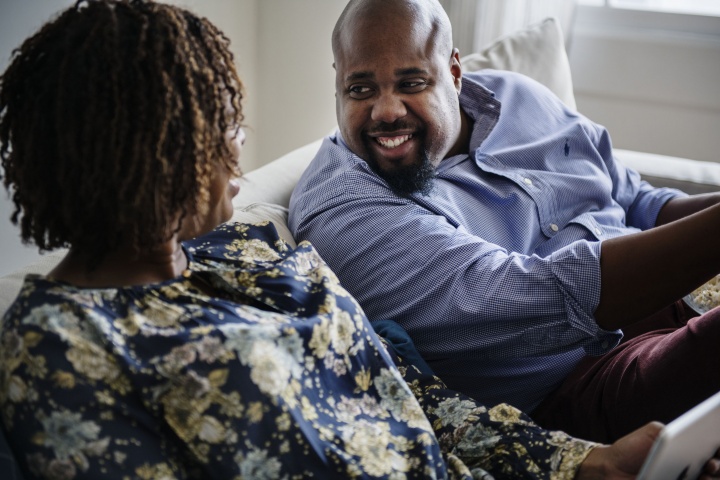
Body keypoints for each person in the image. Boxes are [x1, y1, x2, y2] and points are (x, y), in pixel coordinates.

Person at [6, 0, 717, 478]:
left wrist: (582, 466)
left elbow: (416, 400)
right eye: (218, 124)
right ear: (136, 152)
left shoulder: (248, 259)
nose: (241, 143)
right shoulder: (57, 343)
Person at [288, 0, 720, 444]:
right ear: (337, 83)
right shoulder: (343, 210)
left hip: (676, 294)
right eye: (360, 89)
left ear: (454, 73)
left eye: (411, 82)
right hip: (582, 381)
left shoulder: (517, 97)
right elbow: (540, 298)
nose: (386, 111)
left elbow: (642, 202)